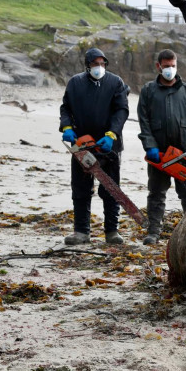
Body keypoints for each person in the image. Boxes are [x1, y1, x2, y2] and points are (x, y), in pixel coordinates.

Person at [60, 47, 130, 245]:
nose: (99, 67)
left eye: (102, 63)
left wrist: (111, 134)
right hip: (81, 144)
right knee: (80, 189)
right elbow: (66, 107)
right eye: (95, 64)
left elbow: (121, 110)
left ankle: (112, 232)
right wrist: (67, 127)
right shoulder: (75, 83)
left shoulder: (115, 83)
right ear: (87, 65)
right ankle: (81, 232)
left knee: (110, 188)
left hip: (109, 146)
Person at [137, 49, 186, 245]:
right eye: (166, 66)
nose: (170, 70)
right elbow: (144, 122)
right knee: (156, 193)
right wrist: (150, 147)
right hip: (159, 154)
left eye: (173, 66)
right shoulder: (148, 91)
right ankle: (153, 232)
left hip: (183, 153)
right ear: (158, 66)